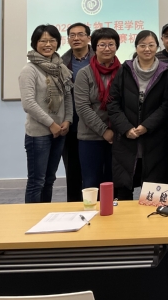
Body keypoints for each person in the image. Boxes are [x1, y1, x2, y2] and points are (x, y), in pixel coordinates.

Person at [107, 30, 168, 200]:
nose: (147, 49)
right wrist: (126, 128)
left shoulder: (166, 72)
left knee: (154, 197)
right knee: (123, 193)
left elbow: (167, 105)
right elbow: (113, 103)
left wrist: (146, 126)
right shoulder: (124, 70)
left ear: (157, 47)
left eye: (151, 45)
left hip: (155, 140)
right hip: (126, 140)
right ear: (136, 47)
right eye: (142, 45)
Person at [19, 24, 73, 203]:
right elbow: (28, 103)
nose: (48, 44)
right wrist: (51, 124)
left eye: (52, 40)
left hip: (59, 132)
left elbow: (67, 96)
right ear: (35, 43)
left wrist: (68, 120)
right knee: (37, 181)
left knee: (49, 179)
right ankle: (32, 216)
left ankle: (45, 213)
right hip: (39, 134)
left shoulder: (60, 67)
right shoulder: (30, 70)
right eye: (43, 41)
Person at [74, 27, 120, 190]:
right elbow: (82, 107)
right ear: (94, 47)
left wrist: (116, 131)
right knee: (91, 182)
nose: (107, 48)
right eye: (102, 45)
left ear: (116, 46)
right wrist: (104, 131)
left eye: (111, 44)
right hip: (90, 137)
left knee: (114, 182)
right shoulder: (84, 73)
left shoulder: (124, 72)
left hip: (118, 136)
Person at [61, 22, 93, 202]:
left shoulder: (100, 58)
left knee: (96, 172)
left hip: (95, 126)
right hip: (71, 125)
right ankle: (73, 207)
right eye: (72, 35)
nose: (76, 38)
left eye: (81, 34)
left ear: (89, 38)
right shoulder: (61, 62)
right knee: (73, 172)